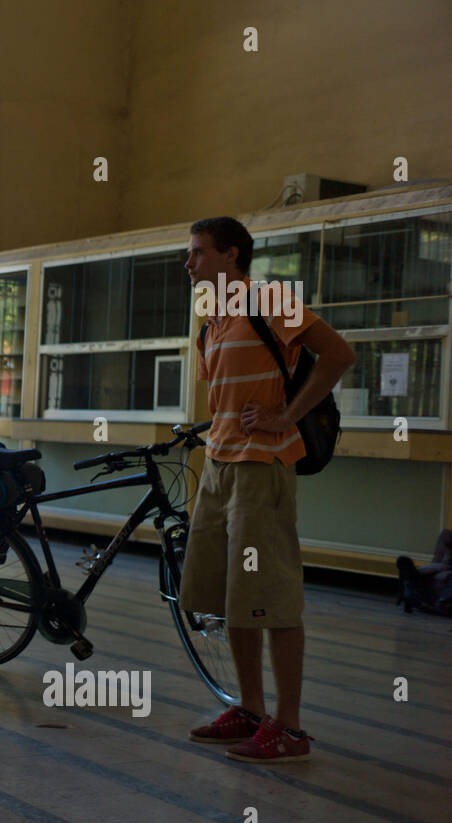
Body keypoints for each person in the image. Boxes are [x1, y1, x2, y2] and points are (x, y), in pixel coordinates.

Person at [179, 216, 355, 763]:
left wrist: (285, 417)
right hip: (218, 465)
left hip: (263, 466)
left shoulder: (271, 300)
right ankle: (251, 710)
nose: (189, 264)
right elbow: (225, 399)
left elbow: (339, 356)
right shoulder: (211, 318)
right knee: (233, 595)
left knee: (271, 593)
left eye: (198, 253)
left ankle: (290, 727)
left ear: (231, 256)